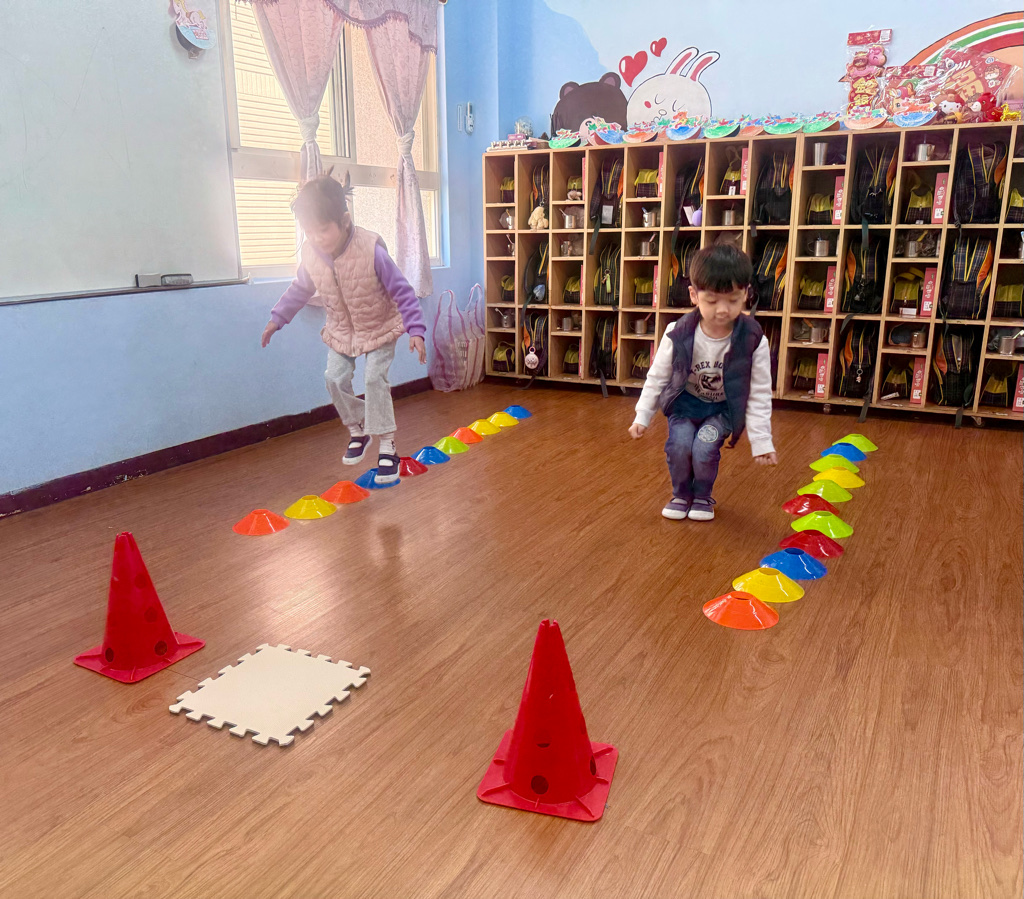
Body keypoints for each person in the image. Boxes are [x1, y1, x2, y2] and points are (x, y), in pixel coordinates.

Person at [261, 173, 427, 485]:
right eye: (309, 231)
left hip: (379, 325)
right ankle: (358, 428)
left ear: (344, 220)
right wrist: (277, 319)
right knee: (333, 378)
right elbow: (300, 289)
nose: (317, 238)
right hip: (341, 330)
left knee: (374, 379)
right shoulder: (312, 254)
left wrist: (416, 330)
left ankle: (387, 445)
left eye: (323, 230)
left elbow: (402, 291)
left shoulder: (370, 249)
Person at [628, 244, 777, 521]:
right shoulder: (678, 332)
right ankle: (681, 495)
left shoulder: (753, 339)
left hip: (722, 409)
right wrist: (643, 415)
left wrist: (761, 440)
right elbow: (658, 376)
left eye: (733, 300)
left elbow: (758, 393)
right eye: (712, 300)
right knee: (680, 446)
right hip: (685, 404)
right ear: (694, 295)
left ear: (746, 293)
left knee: (704, 448)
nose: (722, 310)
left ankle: (702, 497)